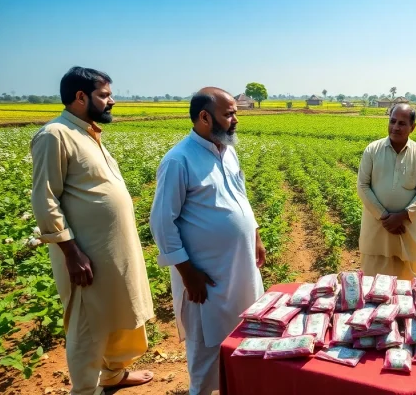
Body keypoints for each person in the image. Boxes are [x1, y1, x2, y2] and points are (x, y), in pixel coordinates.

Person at [30, 67, 155, 395]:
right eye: (104, 95)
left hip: (112, 250)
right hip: (85, 254)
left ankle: (113, 375)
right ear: (81, 97)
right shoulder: (54, 135)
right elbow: (45, 200)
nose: (111, 101)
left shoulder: (87, 133)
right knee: (89, 325)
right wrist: (71, 253)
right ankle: (86, 389)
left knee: (118, 312)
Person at [150, 87, 265, 395]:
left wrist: (254, 232)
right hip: (206, 277)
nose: (235, 119)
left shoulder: (228, 151)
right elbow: (161, 221)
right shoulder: (179, 160)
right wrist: (188, 273)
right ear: (204, 117)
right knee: (206, 349)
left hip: (240, 267)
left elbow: (240, 196)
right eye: (229, 114)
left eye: (235, 113)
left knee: (243, 334)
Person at [357, 103, 416, 280]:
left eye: (402, 123)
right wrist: (384, 216)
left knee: (406, 286)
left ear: (412, 127)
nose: (395, 127)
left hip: (405, 228)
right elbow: (362, 186)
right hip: (376, 229)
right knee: (372, 285)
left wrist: (403, 216)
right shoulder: (372, 150)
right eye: (392, 121)